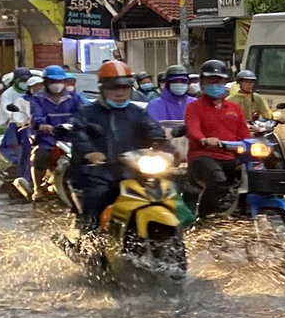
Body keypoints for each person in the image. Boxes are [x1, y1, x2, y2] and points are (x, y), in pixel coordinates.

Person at [69, 61, 166, 230]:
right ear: (103, 89)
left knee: (166, 191)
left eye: (125, 88)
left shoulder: (139, 112)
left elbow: (154, 130)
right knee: (96, 196)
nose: (120, 92)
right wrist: (90, 152)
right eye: (114, 88)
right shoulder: (87, 112)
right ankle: (88, 240)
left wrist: (162, 145)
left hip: (134, 170)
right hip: (98, 172)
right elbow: (78, 134)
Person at [182, 60, 249, 217]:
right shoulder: (194, 107)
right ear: (202, 82)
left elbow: (244, 134)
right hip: (202, 157)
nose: (215, 84)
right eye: (210, 80)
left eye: (218, 80)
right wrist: (204, 139)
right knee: (218, 181)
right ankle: (204, 217)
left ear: (225, 82)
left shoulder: (234, 109)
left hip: (230, 157)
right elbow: (193, 129)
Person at [26, 65, 85, 190]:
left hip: (71, 136)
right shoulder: (37, 99)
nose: (56, 84)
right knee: (41, 156)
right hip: (48, 137)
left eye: (59, 81)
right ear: (46, 82)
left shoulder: (75, 97)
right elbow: (36, 116)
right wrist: (43, 125)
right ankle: (38, 189)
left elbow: (85, 111)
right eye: (53, 81)